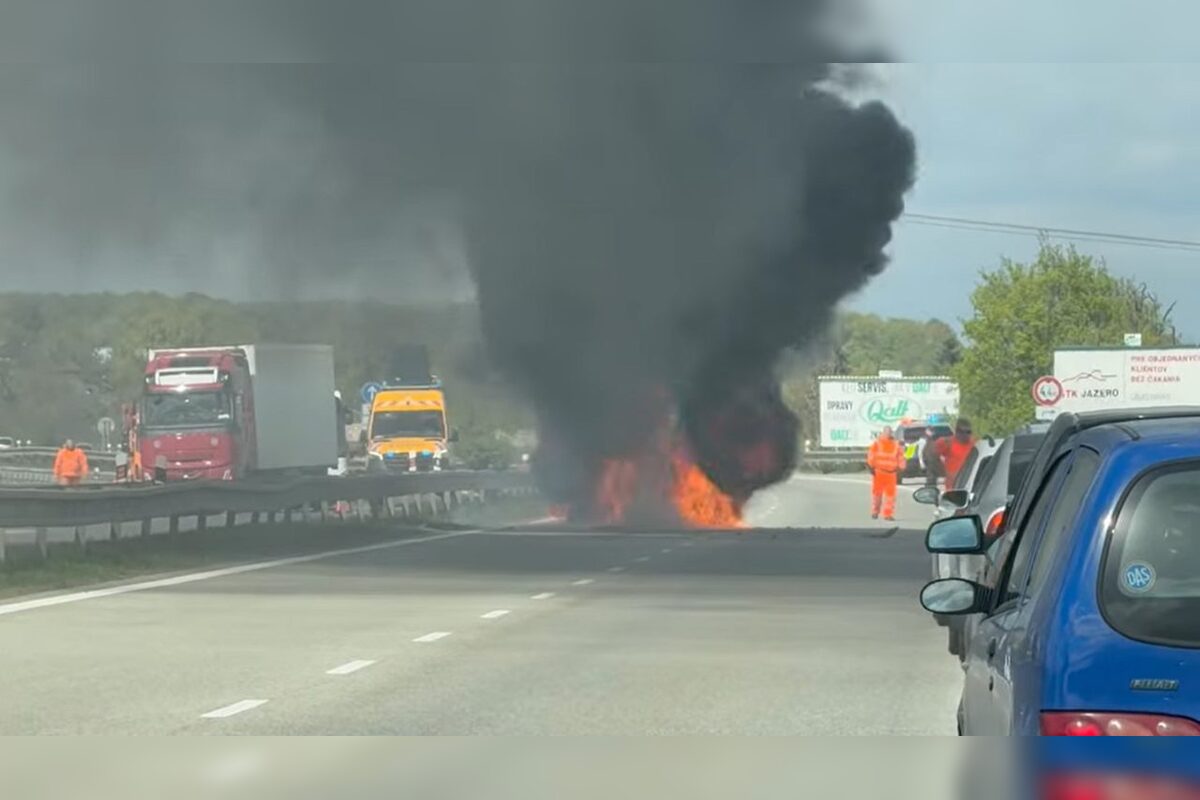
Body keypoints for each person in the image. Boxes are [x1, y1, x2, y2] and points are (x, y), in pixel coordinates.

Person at [867, 425, 906, 521]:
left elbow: (900, 457)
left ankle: (888, 514)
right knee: (877, 494)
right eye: (886, 432)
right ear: (883, 432)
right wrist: (871, 467)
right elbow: (871, 456)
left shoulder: (896, 445)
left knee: (890, 496)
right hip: (879, 472)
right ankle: (875, 512)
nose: (888, 434)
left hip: (891, 473)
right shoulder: (877, 443)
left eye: (889, 432)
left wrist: (901, 467)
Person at [934, 417, 977, 487]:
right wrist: (944, 472)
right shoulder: (947, 442)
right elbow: (931, 455)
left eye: (968, 432)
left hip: (970, 484)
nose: (966, 435)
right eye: (963, 432)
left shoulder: (975, 444)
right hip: (953, 487)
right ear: (957, 432)